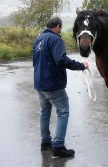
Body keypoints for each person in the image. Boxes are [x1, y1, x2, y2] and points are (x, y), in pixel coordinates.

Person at [33, 16, 89, 157]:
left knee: (45, 112)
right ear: (58, 26)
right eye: (61, 28)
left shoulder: (38, 39)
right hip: (53, 84)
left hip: (40, 84)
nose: (60, 30)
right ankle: (58, 146)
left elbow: (35, 61)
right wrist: (81, 65)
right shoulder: (55, 39)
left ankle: (45, 143)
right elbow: (61, 60)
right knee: (63, 112)